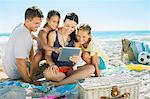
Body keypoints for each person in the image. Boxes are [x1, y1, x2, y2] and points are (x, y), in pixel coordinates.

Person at [43, 13, 95, 86]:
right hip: (57, 69)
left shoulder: (75, 38)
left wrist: (76, 59)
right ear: (63, 22)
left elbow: (76, 59)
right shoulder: (53, 35)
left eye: (73, 27)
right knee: (47, 74)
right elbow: (47, 55)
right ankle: (71, 79)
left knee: (91, 68)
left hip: (70, 70)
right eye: (67, 26)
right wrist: (52, 64)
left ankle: (60, 83)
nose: (69, 29)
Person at [2, 6, 43, 85]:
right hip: (15, 73)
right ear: (27, 21)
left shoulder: (21, 27)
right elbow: (20, 62)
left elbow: (30, 36)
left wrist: (37, 38)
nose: (39, 26)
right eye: (36, 23)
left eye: (40, 22)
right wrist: (29, 82)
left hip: (8, 68)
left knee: (36, 59)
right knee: (45, 64)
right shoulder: (23, 35)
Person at [30, 10, 61, 80]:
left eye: (58, 22)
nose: (56, 24)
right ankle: (31, 76)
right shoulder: (43, 31)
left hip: (49, 53)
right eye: (54, 21)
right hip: (42, 51)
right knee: (38, 56)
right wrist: (55, 49)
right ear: (47, 20)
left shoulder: (55, 30)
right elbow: (44, 46)